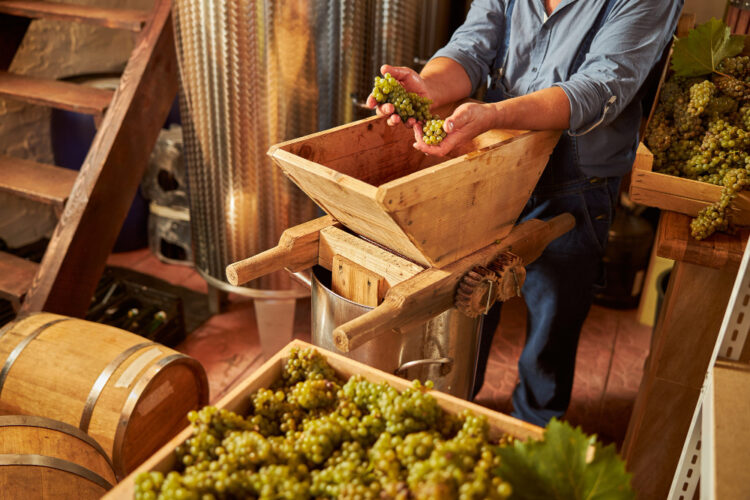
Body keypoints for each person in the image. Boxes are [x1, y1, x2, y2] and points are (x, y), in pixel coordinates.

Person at [367, 0, 683, 426]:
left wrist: (495, 113)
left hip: (576, 179)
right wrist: (429, 87)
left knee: (554, 323)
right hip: (496, 163)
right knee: (469, 307)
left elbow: (598, 90)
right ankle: (458, 408)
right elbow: (473, 46)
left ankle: (534, 428)